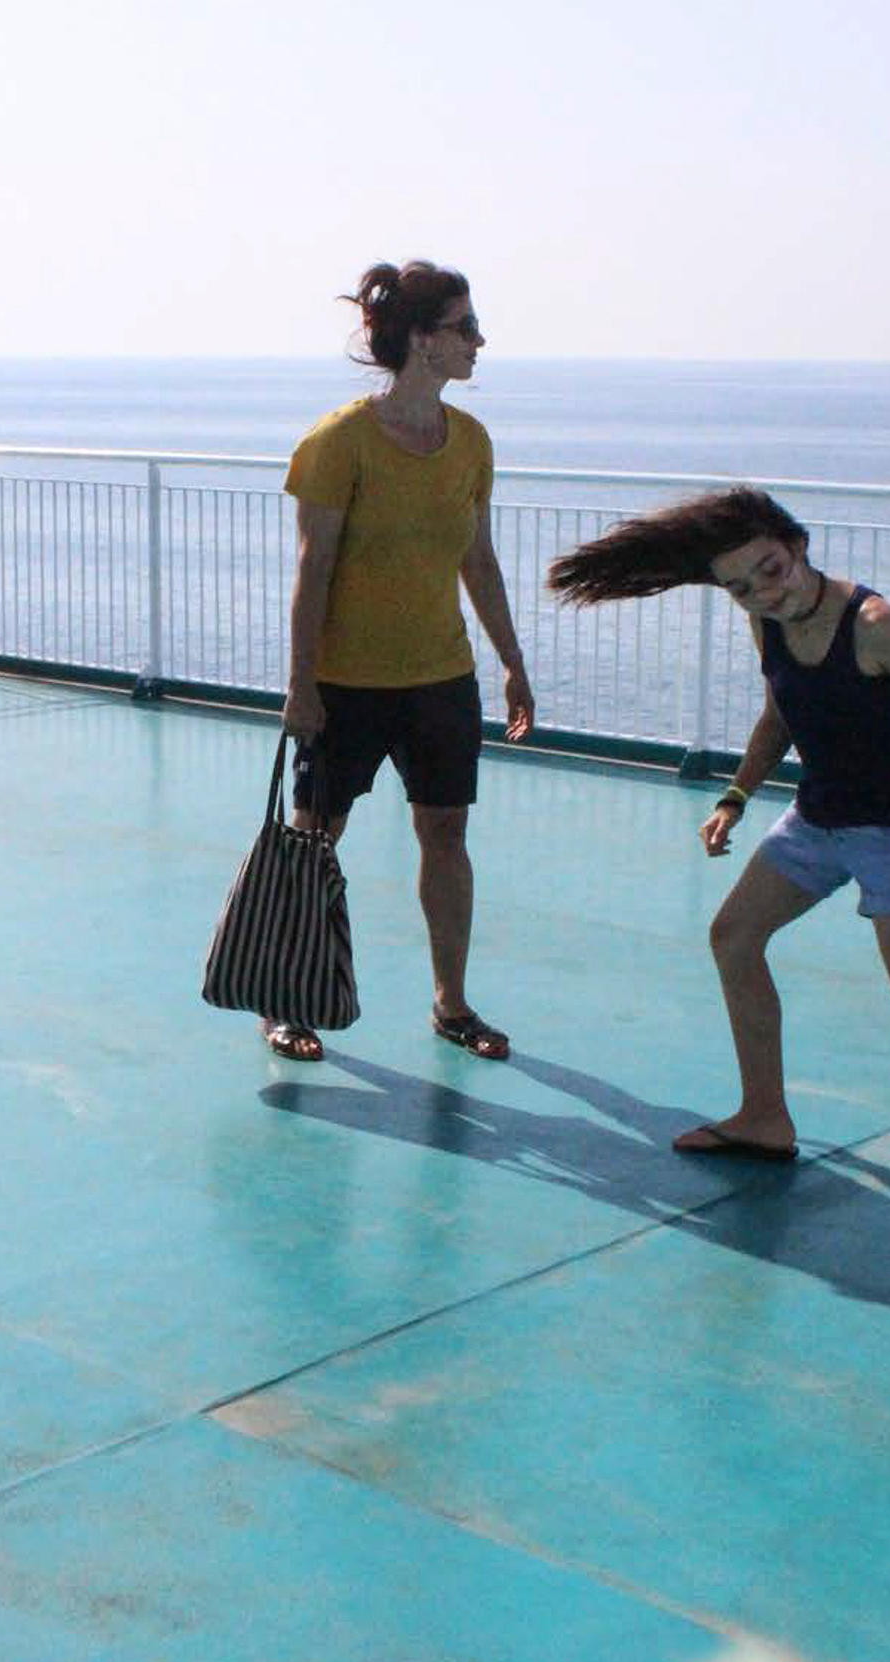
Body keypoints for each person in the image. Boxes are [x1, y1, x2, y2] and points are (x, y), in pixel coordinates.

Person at [547, 486, 890, 1235]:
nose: (765, 590)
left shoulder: (878, 626)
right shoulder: (764, 622)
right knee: (734, 937)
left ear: (797, 546)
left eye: (771, 569)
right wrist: (736, 793)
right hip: (818, 819)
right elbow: (780, 713)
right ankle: (765, 1117)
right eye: (741, 586)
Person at [272, 259, 535, 1064]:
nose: (479, 341)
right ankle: (288, 1000)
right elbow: (313, 569)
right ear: (421, 341)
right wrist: (301, 688)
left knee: (446, 834)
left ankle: (451, 1004)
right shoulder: (337, 443)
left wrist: (512, 663)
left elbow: (479, 562)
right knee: (315, 839)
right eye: (465, 327)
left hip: (440, 681)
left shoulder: (472, 443)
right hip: (347, 687)